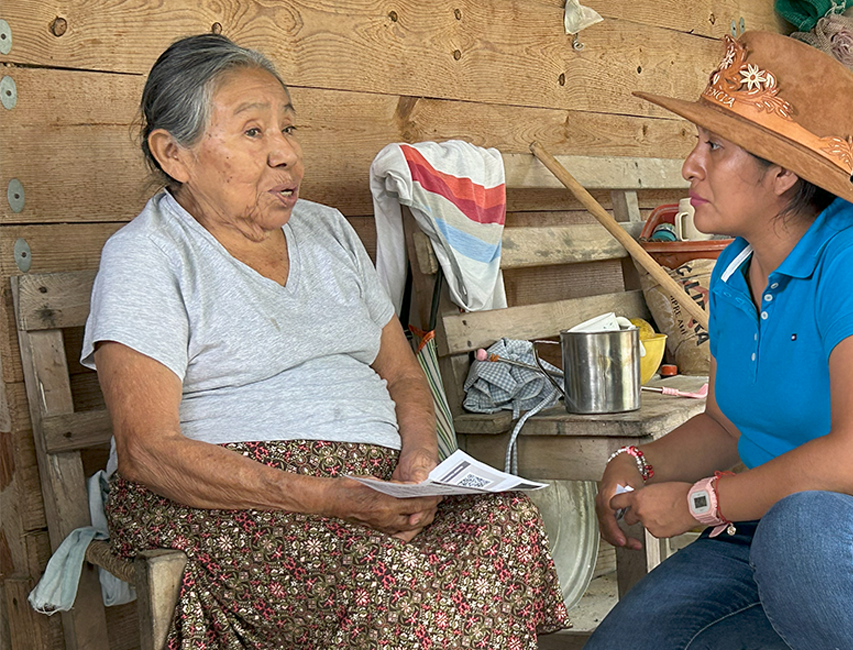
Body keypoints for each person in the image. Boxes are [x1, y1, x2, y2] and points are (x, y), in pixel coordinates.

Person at [85, 34, 568, 649]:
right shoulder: (148, 256)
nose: (285, 155)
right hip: (234, 501)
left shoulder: (328, 231)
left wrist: (418, 460)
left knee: (508, 525)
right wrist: (326, 498)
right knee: (396, 585)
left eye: (288, 128)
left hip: (376, 486)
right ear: (173, 154)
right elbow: (148, 452)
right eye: (253, 133)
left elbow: (401, 375)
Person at [585, 32, 853, 650]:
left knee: (805, 527)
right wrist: (639, 464)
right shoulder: (731, 273)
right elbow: (725, 426)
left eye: (714, 146)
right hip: (759, 538)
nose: (691, 163)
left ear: (781, 172)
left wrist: (700, 504)